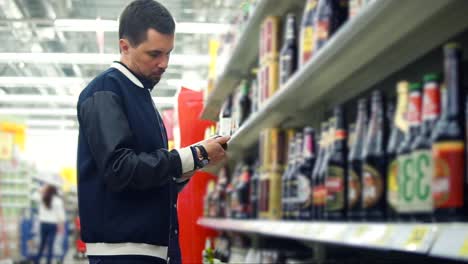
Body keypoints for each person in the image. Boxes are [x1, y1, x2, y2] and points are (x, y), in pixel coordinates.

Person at [76, 1, 229, 263]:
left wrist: (184, 170)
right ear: (125, 46)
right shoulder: (105, 92)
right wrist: (192, 154)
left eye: (169, 53)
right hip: (123, 252)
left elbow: (143, 177)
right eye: (154, 54)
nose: (164, 63)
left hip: (151, 248)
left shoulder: (140, 95)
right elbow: (120, 169)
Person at [35, 184, 65, 264]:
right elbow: (60, 215)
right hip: (53, 225)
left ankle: (37, 261)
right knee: (50, 245)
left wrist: (43, 189)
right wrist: (61, 226)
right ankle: (48, 262)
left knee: (42, 244)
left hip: (43, 224)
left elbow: (37, 193)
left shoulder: (42, 198)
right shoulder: (57, 200)